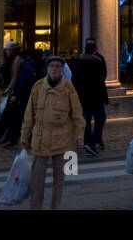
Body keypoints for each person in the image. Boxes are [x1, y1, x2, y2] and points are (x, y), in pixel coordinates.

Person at [20, 55, 83, 210]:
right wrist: (24, 136)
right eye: (52, 66)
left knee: (59, 180)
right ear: (47, 68)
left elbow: (77, 114)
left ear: (62, 69)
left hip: (62, 141)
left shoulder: (69, 88)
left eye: (58, 66)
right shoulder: (38, 87)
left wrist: (80, 136)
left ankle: (55, 207)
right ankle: (36, 207)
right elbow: (29, 114)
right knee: (37, 180)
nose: (55, 69)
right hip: (40, 139)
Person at [72, 38, 109, 155]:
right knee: (100, 119)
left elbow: (74, 81)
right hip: (96, 98)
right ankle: (91, 143)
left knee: (86, 121)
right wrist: (104, 97)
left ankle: (88, 142)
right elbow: (101, 81)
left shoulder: (79, 63)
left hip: (83, 98)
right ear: (94, 51)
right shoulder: (97, 62)